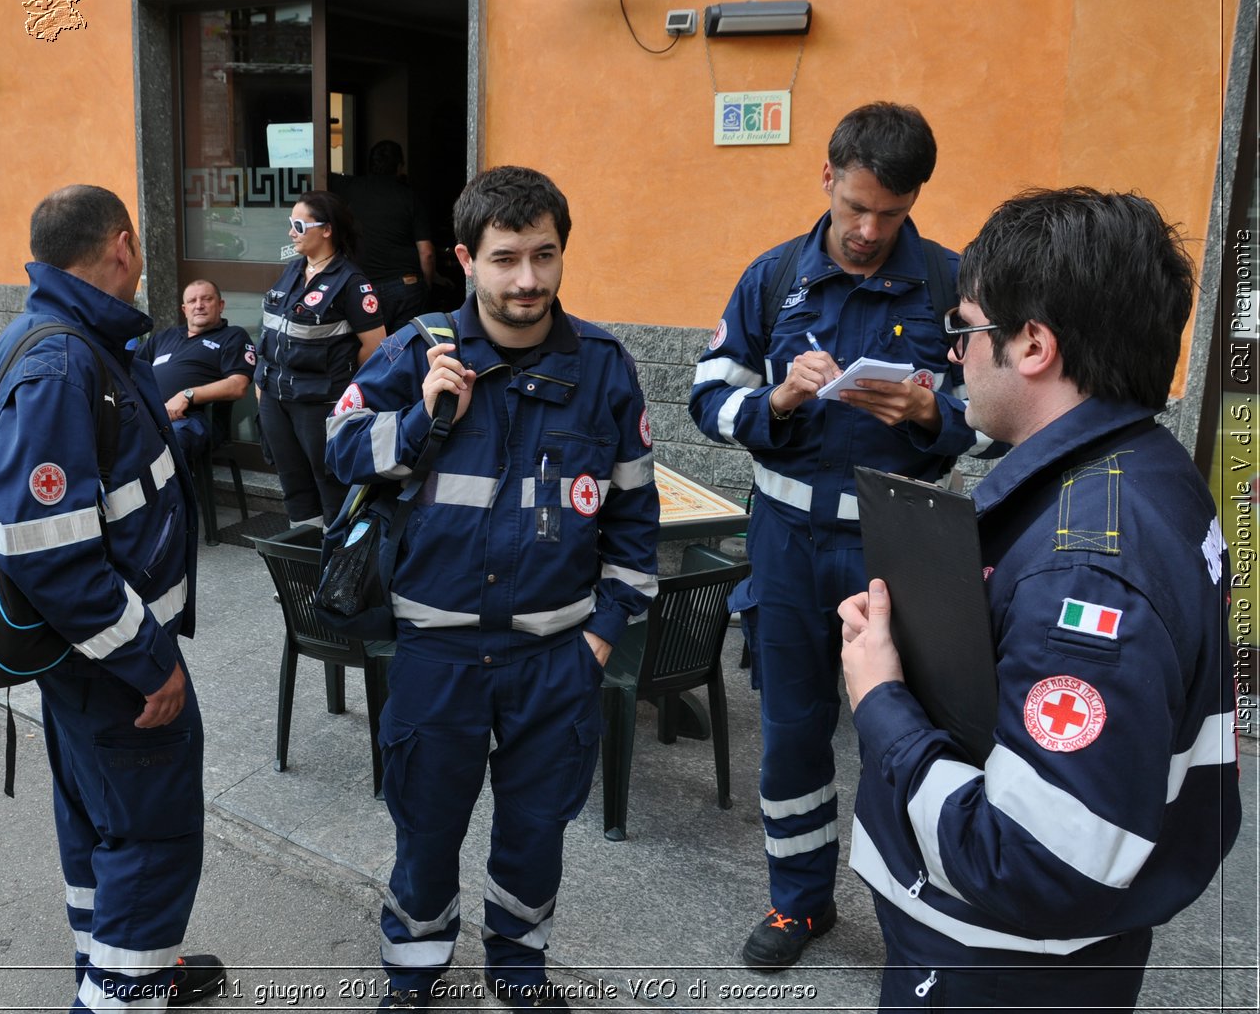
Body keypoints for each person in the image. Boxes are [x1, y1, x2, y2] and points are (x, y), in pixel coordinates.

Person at [837, 187, 1241, 1011]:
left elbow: (1031, 858)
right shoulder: (1150, 470)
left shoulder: (1084, 569)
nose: (955, 356)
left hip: (995, 964)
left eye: (964, 331)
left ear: (1032, 344)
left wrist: (880, 697)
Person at [325, 165, 660, 1012]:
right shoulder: (415, 349)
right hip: (438, 654)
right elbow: (339, 448)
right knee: (427, 827)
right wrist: (415, 417)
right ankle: (414, 967)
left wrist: (601, 634)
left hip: (555, 657)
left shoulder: (605, 370)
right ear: (467, 258)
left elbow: (633, 518)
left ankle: (518, 965)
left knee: (534, 830)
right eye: (506, 257)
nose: (528, 279)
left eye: (544, 255)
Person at [688, 102, 999, 970]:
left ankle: (915, 913)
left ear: (914, 201)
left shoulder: (949, 282)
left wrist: (937, 410)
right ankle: (799, 902)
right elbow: (707, 395)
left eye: (890, 214)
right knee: (791, 727)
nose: (868, 230)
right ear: (827, 176)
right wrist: (779, 399)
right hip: (786, 539)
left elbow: (1000, 412)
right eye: (856, 205)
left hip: (900, 547)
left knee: (906, 734)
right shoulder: (773, 276)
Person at [0, 185, 224, 1010]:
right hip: (113, 661)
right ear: (122, 244)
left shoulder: (64, 336)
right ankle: (121, 990)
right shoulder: (62, 359)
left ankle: (113, 968)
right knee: (150, 843)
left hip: (83, 657)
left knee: (100, 826)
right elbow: (47, 553)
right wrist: (149, 663)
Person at [255, 190, 383, 528]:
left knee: (330, 484)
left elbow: (375, 346)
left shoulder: (352, 282)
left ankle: (333, 568)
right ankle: (305, 568)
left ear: (326, 230)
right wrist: (261, 384)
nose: (291, 232)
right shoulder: (292, 271)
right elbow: (270, 331)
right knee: (294, 487)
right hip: (275, 398)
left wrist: (340, 382)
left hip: (318, 402)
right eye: (290, 223)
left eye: (299, 224)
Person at [138, 278, 256, 464]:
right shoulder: (164, 337)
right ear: (184, 309)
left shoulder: (232, 336)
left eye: (206, 299)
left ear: (220, 305)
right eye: (192, 301)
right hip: (149, 415)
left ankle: (168, 493)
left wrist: (186, 396)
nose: (199, 306)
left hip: (193, 419)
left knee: (162, 446)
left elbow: (238, 385)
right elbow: (128, 367)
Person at [331, 140, 437, 333]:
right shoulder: (409, 196)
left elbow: (319, 173)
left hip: (363, 287)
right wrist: (426, 285)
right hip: (406, 286)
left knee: (372, 352)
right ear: (399, 166)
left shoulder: (350, 188)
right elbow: (426, 252)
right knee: (405, 350)